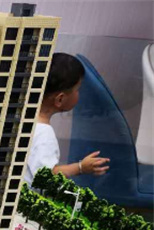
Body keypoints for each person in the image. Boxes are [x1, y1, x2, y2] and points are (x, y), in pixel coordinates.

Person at [24, 53, 109, 185]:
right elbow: (46, 176)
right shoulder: (44, 134)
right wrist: (80, 167)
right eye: (77, 89)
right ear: (60, 99)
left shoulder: (24, 120)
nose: (79, 93)